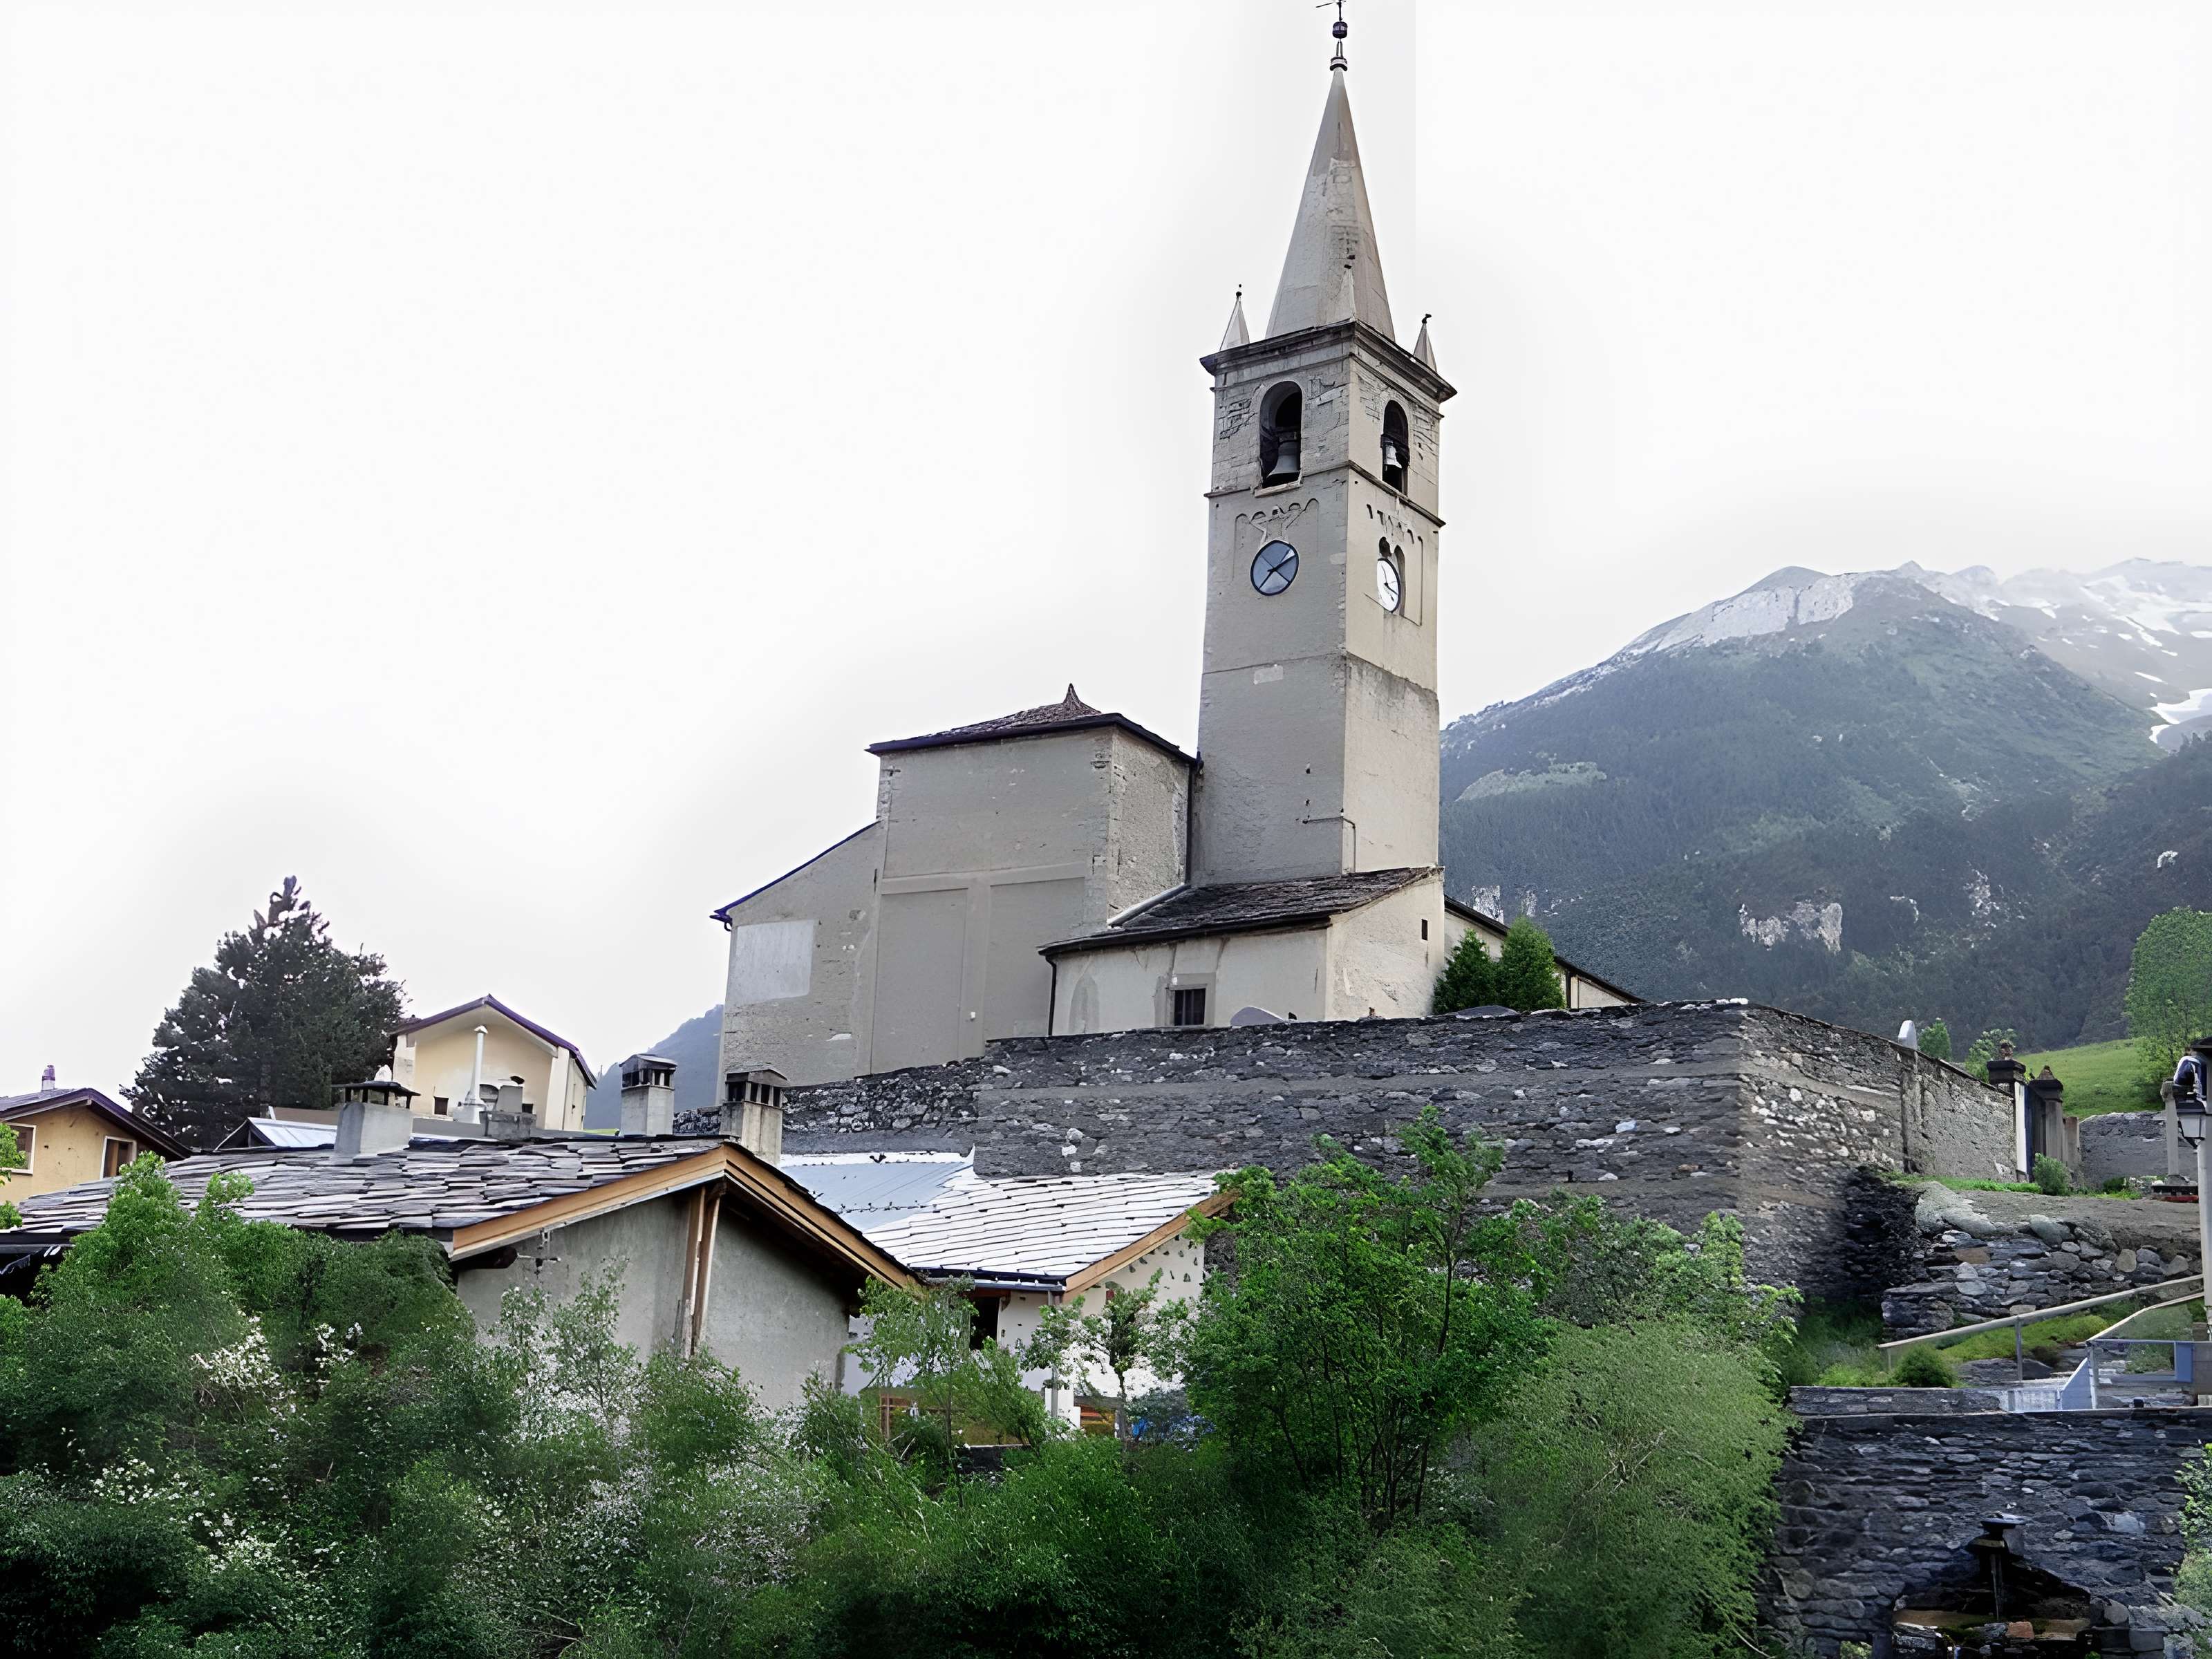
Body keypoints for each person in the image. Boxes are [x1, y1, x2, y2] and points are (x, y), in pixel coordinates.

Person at [2173, 1035, 2212, 1107]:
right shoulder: (2189, 1060)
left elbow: (2180, 1081)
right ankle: (2203, 1097)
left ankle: (2203, 1097)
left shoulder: (2189, 1060)